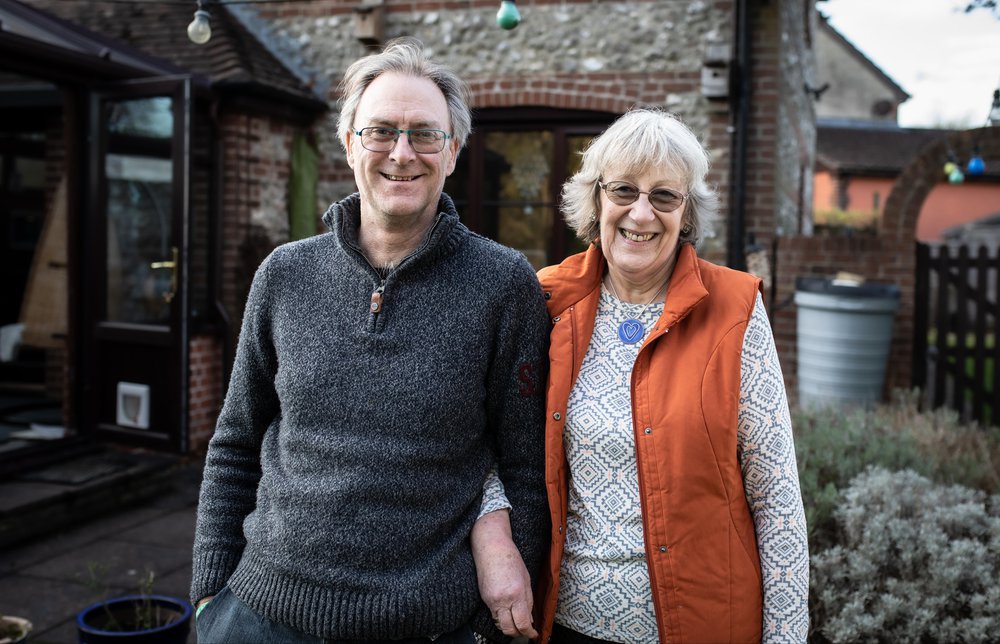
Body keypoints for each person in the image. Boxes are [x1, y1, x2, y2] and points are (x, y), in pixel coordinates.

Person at [190, 38, 549, 643]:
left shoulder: (503, 283)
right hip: (259, 614)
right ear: (349, 142)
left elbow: (525, 464)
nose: (401, 153)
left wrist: (491, 629)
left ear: (454, 151)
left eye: (424, 134)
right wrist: (207, 595)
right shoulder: (284, 274)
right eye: (380, 131)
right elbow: (235, 440)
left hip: (430, 624)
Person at [484, 109, 810, 642]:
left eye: (664, 196)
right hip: (564, 627)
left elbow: (775, 497)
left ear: (686, 212)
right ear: (596, 200)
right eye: (624, 191)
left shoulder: (734, 310)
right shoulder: (545, 299)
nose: (641, 213)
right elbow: (491, 450)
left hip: (705, 623)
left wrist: (787, 635)